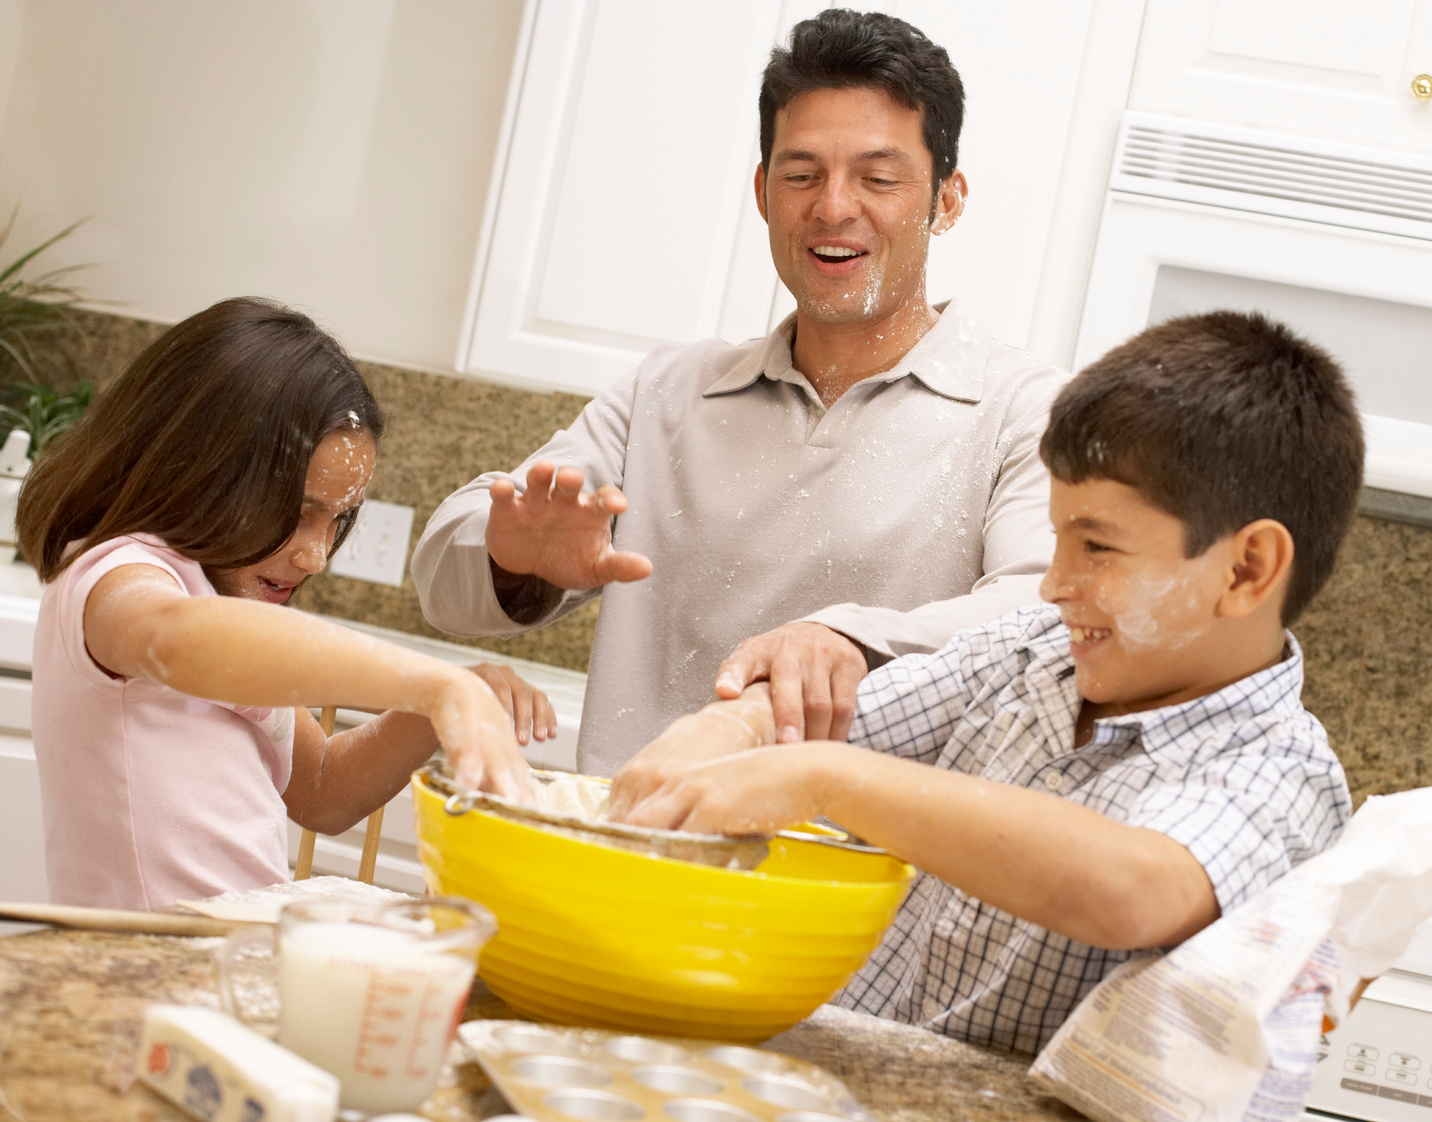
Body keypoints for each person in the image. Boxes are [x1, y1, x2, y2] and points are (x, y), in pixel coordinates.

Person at [607, 311, 1363, 1054]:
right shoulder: (1030, 654)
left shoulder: (1280, 773)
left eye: (1096, 546)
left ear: (1246, 569)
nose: (1055, 585)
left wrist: (825, 778)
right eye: (1058, 536)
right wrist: (731, 729)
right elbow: (812, 719)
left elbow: (1132, 889)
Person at [413, 9, 1065, 776]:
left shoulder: (1026, 412)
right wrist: (510, 557)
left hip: (854, 882)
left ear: (946, 199)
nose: (831, 207)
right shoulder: (667, 392)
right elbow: (444, 584)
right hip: (634, 854)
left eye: (878, 178)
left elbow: (1048, 611)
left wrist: (846, 639)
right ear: (762, 192)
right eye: (801, 175)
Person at [19, 297, 541, 912]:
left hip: (218, 967)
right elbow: (172, 637)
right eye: (297, 514)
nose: (315, 556)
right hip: (136, 977)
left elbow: (322, 790)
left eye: (337, 521)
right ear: (200, 468)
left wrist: (448, 701)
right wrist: (434, 686)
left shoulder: (216, 598)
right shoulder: (118, 578)